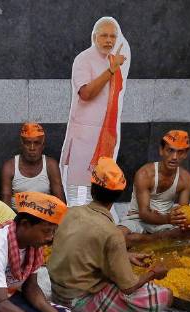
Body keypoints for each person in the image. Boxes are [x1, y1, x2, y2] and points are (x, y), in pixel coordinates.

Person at [48, 157, 172, 312]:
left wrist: (125, 256)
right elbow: (129, 288)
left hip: (57, 290)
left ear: (92, 189)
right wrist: (153, 273)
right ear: (118, 196)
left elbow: (83, 247)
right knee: (164, 296)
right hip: (77, 300)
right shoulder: (112, 233)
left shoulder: (69, 212)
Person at [60, 16, 131, 207]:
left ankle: (92, 222)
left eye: (113, 37)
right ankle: (75, 219)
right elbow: (86, 93)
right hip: (84, 134)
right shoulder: (83, 59)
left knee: (97, 184)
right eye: (104, 36)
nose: (109, 40)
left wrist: (112, 67)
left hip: (104, 134)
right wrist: (111, 70)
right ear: (94, 37)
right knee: (77, 185)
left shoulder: (111, 61)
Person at [121, 130, 190, 238]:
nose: (174, 157)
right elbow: (144, 214)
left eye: (180, 152)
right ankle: (163, 238)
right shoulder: (145, 174)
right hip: (138, 220)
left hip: (166, 225)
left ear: (185, 154)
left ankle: (150, 239)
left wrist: (185, 219)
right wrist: (168, 218)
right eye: (170, 150)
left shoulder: (186, 179)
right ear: (161, 150)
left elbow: (183, 211)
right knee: (119, 235)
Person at [0, 122, 65, 206]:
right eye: (27, 143)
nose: (32, 148)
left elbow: (60, 201)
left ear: (43, 145)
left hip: (44, 217)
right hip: (16, 216)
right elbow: (5, 203)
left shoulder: (50, 165)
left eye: (37, 143)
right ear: (22, 145)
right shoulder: (10, 166)